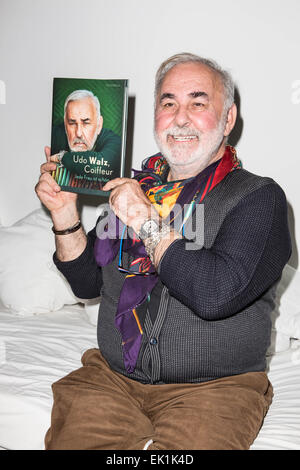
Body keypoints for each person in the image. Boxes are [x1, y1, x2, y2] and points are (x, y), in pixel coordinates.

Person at [35, 53, 291, 450]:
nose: (181, 117)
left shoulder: (259, 199)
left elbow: (214, 294)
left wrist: (144, 220)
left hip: (216, 389)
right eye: (168, 103)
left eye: (198, 102)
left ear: (228, 118)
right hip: (112, 380)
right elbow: (87, 283)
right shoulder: (133, 188)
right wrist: (65, 215)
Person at [51, 89, 121, 176]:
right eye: (72, 123)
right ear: (65, 124)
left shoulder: (115, 142)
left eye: (86, 123)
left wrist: (61, 157)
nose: (79, 133)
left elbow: (97, 166)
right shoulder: (54, 134)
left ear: (99, 125)